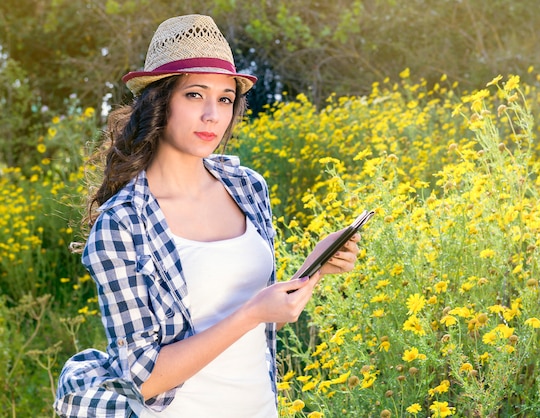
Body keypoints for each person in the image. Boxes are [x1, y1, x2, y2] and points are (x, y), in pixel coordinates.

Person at [54, 14, 360, 418]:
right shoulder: (123, 222)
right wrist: (253, 312)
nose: (213, 115)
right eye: (195, 95)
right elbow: (144, 380)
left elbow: (259, 323)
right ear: (159, 103)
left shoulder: (247, 187)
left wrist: (313, 270)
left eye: (225, 98)